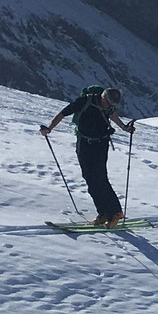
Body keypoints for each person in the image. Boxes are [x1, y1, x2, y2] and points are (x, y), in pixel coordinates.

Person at [41, 85, 136, 225]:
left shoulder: (107, 106)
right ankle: (103, 213)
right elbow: (63, 113)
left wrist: (124, 128)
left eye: (112, 105)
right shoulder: (84, 101)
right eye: (109, 103)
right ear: (103, 96)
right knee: (89, 177)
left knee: (100, 177)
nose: (109, 107)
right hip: (83, 143)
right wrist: (49, 128)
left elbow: (112, 114)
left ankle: (115, 212)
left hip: (100, 143)